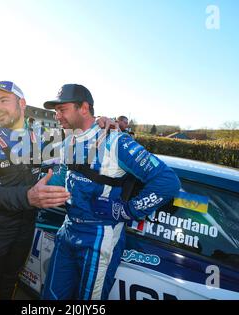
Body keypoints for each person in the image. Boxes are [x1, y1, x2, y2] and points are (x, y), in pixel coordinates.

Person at [41, 84, 181, 300]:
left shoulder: (115, 140)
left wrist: (128, 210)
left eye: (63, 109)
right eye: (55, 111)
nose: (57, 116)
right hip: (67, 229)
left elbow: (168, 182)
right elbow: (64, 176)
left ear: (84, 108)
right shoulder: (69, 139)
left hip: (99, 238)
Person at [0, 81, 70, 300]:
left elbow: (75, 144)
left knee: (10, 284)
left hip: (26, 228)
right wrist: (28, 197)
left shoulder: (41, 137)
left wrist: (102, 126)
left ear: (22, 103)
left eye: (4, 100)